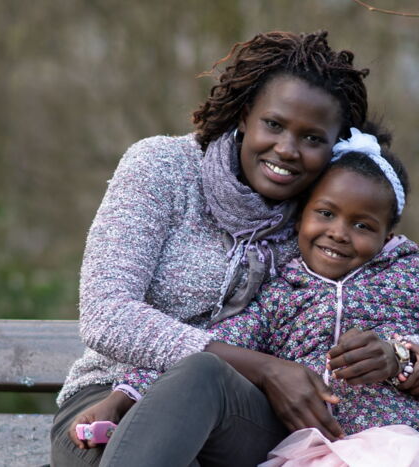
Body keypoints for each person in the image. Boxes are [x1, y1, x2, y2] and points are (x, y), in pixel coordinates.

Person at [75, 126, 419, 466]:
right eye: (325, 213)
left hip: (399, 444)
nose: (338, 233)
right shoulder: (281, 292)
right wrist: (125, 394)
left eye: (362, 225)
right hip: (313, 450)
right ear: (301, 216)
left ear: (387, 236)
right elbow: (215, 350)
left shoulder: (410, 276)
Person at [50, 30, 371, 467]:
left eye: (312, 139)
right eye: (274, 125)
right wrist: (263, 366)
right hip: (111, 397)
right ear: (244, 116)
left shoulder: (327, 222)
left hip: (246, 418)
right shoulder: (164, 167)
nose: (286, 150)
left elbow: (394, 299)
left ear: (336, 144)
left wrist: (409, 355)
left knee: (205, 382)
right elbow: (107, 315)